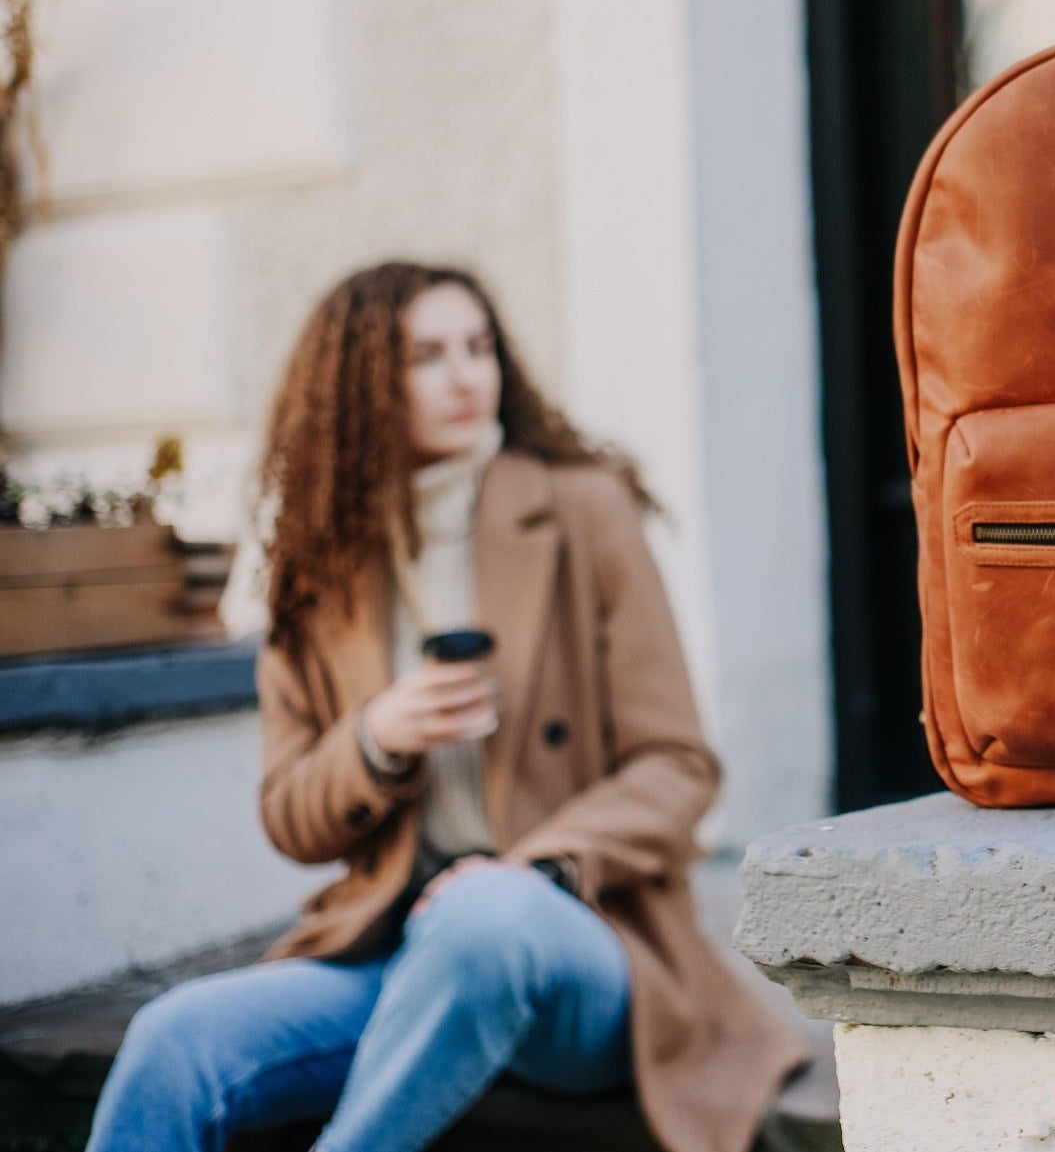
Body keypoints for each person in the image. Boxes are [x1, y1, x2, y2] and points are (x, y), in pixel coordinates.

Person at [86, 261, 804, 1152]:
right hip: (398, 949)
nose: (468, 375)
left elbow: (678, 767)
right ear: (357, 389)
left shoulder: (582, 509)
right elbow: (289, 816)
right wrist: (377, 738)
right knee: (175, 1039)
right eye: (427, 355)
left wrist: (537, 868)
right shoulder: (322, 560)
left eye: (479, 346)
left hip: (581, 950)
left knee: (486, 919)